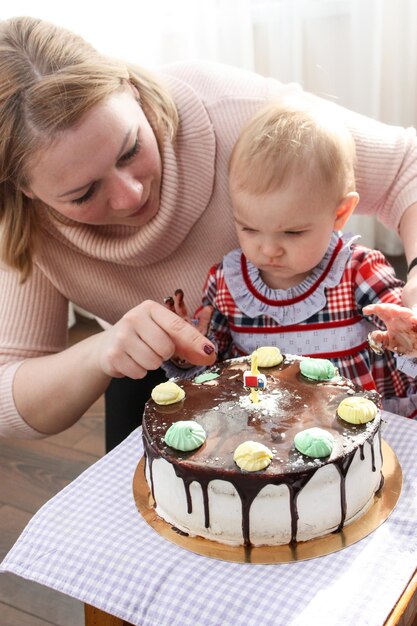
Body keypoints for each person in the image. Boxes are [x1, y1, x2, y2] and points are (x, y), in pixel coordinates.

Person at [1, 17, 417, 450]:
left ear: (134, 93)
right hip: (182, 371)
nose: (131, 196)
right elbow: (10, 399)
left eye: (131, 150)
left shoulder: (234, 111)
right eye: (83, 193)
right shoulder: (23, 224)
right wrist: (101, 351)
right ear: (25, 191)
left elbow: (408, 166)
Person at [166, 99, 417, 417]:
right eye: (250, 228)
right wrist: (187, 348)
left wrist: (407, 337)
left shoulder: (358, 272)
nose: (268, 249)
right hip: (270, 436)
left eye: (292, 233)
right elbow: (214, 364)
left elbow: (403, 338)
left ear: (339, 213)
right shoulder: (227, 283)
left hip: (359, 436)